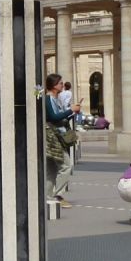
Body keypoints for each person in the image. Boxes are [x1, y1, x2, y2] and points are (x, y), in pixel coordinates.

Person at [44, 73, 79, 204]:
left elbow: (59, 118)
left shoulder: (55, 99)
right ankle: (58, 194)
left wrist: (72, 112)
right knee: (66, 166)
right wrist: (70, 110)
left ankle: (47, 196)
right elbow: (53, 117)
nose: (62, 85)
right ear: (54, 85)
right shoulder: (48, 99)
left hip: (55, 136)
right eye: (60, 83)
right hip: (52, 137)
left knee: (52, 169)